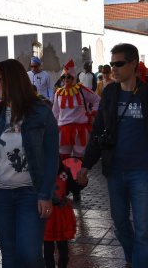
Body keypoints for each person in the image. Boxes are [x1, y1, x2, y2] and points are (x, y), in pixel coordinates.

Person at [77, 43, 148, 267]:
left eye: (119, 63)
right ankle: (132, 258)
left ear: (133, 64)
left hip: (142, 172)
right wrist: (85, 165)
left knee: (144, 229)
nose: (113, 68)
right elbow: (98, 132)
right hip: (115, 170)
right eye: (111, 63)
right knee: (120, 223)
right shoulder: (110, 93)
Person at [0, 59, 59, 268]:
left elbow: (51, 156)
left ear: (11, 81)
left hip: (30, 194)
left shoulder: (42, 113)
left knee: (30, 255)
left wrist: (45, 195)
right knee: (10, 255)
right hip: (1, 194)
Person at [52, 59, 99, 201]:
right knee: (62, 159)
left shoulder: (82, 90)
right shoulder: (58, 93)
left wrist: (91, 114)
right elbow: (55, 112)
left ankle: (77, 188)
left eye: (69, 77)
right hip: (64, 130)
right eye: (63, 77)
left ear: (74, 77)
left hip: (80, 130)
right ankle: (63, 188)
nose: (66, 80)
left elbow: (97, 100)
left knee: (78, 160)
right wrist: (52, 128)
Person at [43, 160, 78, 268]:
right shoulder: (41, 173)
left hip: (61, 214)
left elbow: (75, 187)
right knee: (48, 249)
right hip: (47, 213)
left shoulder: (64, 173)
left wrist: (82, 179)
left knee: (63, 248)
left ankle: (63, 266)